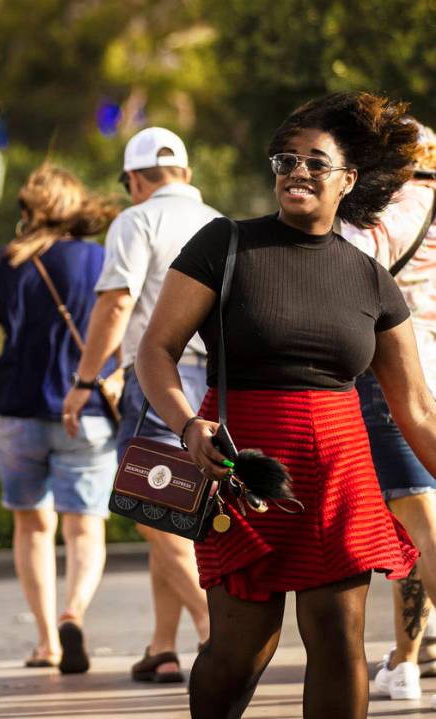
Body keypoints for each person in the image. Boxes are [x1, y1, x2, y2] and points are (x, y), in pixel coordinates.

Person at [137, 91, 434, 718]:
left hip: (340, 477)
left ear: (347, 179)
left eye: (315, 161)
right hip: (242, 470)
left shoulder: (369, 277)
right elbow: (155, 351)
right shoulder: (225, 245)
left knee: (338, 640)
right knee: (244, 648)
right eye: (286, 160)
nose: (297, 170)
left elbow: (417, 410)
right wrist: (188, 426)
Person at [61, 127, 216, 682]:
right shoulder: (220, 223)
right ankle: (162, 646)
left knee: (153, 512)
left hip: (157, 380)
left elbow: (117, 301)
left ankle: (212, 631)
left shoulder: (138, 219)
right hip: (213, 385)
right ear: (187, 174)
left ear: (134, 179)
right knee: (174, 510)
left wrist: (84, 380)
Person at [0, 164, 119, 674]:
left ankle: (48, 639)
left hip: (14, 408)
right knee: (84, 525)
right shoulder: (100, 259)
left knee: (31, 525)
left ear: (27, 211)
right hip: (87, 408)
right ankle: (74, 611)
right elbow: (121, 322)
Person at [341, 121, 436, 701]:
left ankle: (404, 664)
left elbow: (349, 274)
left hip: (398, 374)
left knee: (420, 527)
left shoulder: (389, 211)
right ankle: (404, 662)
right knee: (422, 527)